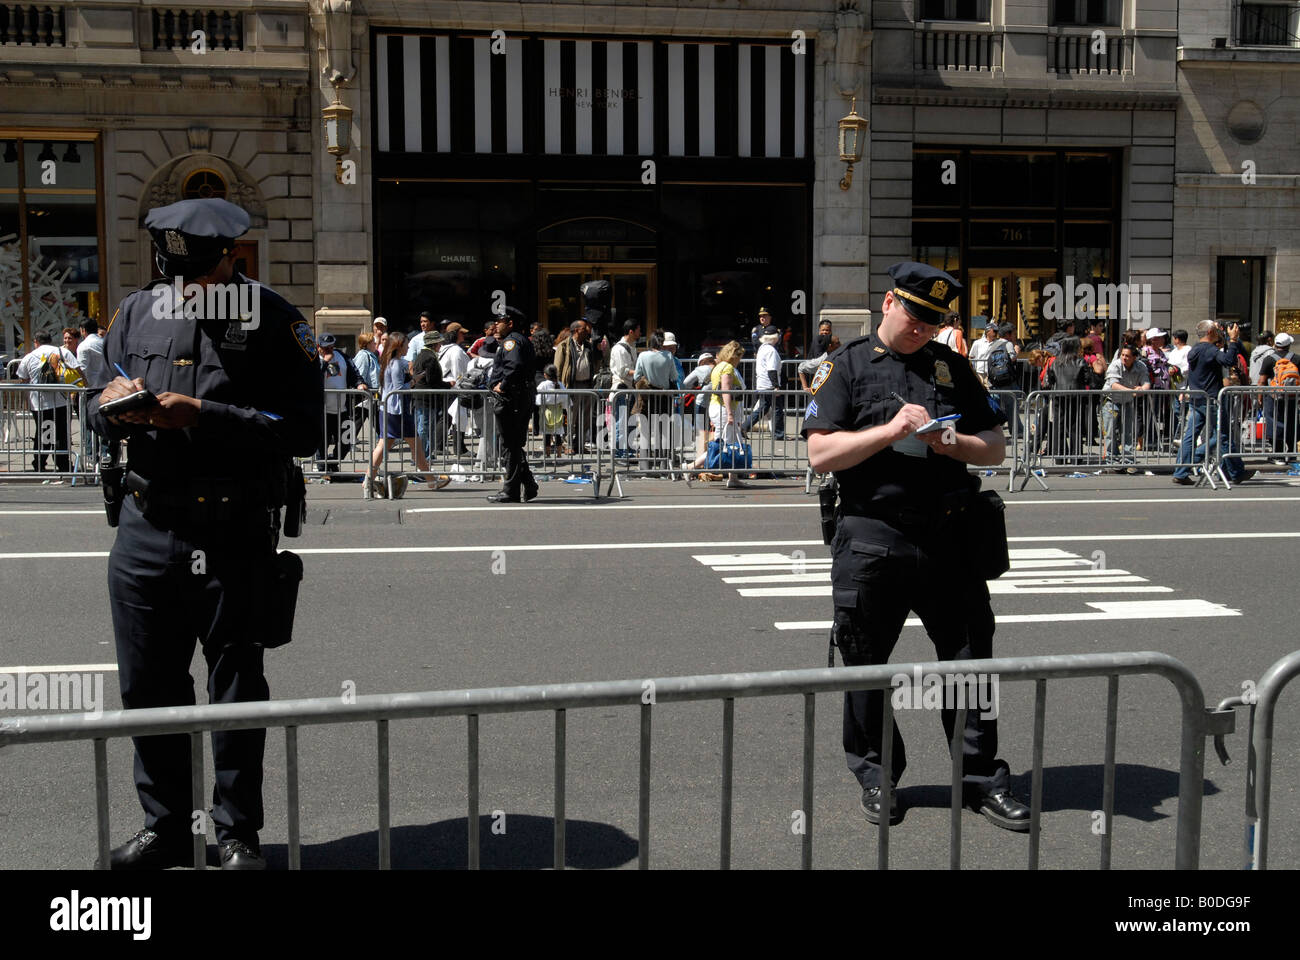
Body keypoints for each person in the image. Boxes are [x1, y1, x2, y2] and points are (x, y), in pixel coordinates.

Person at [86, 197, 323, 870]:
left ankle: (235, 834)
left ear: (231, 260)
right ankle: (165, 827)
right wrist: (108, 407)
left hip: (233, 533)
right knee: (147, 690)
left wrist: (205, 416)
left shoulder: (276, 320)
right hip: (146, 527)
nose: (190, 291)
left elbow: (304, 428)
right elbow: (93, 391)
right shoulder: (136, 311)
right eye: (177, 277)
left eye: (205, 278)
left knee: (236, 691)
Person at [802, 260, 1029, 833]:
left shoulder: (951, 366)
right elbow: (820, 454)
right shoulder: (845, 366)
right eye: (915, 316)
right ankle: (877, 774)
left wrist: (950, 441)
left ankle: (980, 777)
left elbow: (996, 446)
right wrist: (889, 432)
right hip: (873, 535)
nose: (922, 330)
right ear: (888, 303)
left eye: (933, 321)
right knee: (865, 662)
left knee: (970, 661)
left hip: (950, 534)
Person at [366, 330, 449, 496]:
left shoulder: (391, 362)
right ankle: (431, 480)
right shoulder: (395, 364)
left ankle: (368, 480)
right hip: (398, 411)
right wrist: (413, 381)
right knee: (410, 446)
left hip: (391, 410)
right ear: (398, 345)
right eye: (405, 344)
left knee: (388, 446)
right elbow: (397, 389)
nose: (408, 346)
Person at [1172, 320, 1252, 485]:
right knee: (1223, 435)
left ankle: (1180, 472)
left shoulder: (1195, 349)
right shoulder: (1210, 350)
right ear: (1209, 333)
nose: (1218, 331)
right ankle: (1236, 471)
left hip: (1197, 398)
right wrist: (1234, 340)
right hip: (1211, 399)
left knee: (1190, 436)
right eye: (1215, 330)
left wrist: (1224, 344)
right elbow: (1229, 361)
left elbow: (1217, 359)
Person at [486, 306, 538, 503]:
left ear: (510, 323)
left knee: (510, 445)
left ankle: (511, 490)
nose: (495, 325)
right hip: (520, 396)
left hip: (512, 397)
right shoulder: (519, 340)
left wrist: (503, 385)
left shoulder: (511, 341)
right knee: (513, 444)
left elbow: (514, 365)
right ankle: (527, 484)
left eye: (499, 321)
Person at [17, 329, 81, 473]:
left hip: (39, 402)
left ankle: (39, 463)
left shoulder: (29, 356)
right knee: (62, 434)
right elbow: (78, 369)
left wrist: (26, 400)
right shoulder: (61, 352)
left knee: (43, 433)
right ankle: (63, 464)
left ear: (36, 342)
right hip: (61, 400)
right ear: (50, 340)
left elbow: (23, 379)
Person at [315, 333, 367, 474]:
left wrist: (359, 383)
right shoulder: (313, 359)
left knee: (346, 441)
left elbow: (353, 372)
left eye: (332, 347)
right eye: (326, 348)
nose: (330, 350)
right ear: (319, 347)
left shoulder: (341, 356)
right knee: (322, 443)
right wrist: (325, 362)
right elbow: (313, 380)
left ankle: (333, 462)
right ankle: (322, 471)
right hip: (323, 411)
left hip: (342, 409)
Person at [1101, 344, 1150, 469]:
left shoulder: (1141, 366)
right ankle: (1111, 459)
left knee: (1128, 431)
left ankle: (1128, 459)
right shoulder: (1115, 365)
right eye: (1122, 355)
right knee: (1110, 430)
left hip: (1128, 401)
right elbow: (1114, 385)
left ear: (1134, 357)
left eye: (1127, 356)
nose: (1124, 358)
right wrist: (1132, 391)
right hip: (1111, 401)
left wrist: (1141, 389)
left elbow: (1146, 383)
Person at [707, 340, 747, 489]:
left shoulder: (719, 367)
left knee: (728, 444)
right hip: (723, 409)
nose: (740, 360)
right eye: (739, 356)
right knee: (724, 445)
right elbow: (726, 391)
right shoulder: (728, 368)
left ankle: (733, 477)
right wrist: (730, 413)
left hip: (719, 408)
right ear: (734, 356)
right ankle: (691, 467)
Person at [555, 319, 599, 452]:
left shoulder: (588, 346)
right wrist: (559, 386)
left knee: (585, 418)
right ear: (576, 331)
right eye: (584, 329)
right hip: (571, 386)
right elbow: (558, 368)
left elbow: (594, 364)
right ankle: (568, 445)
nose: (587, 331)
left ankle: (580, 444)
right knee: (570, 418)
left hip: (587, 386)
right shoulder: (564, 346)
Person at [1259, 332, 1300, 473]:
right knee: (1292, 422)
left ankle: (1278, 454)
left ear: (1275, 344)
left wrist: (1259, 397)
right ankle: (1293, 453)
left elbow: (1262, 381)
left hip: (1273, 397)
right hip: (1293, 397)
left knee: (1275, 423)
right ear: (1289, 345)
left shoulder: (1269, 359)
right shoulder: (1297, 359)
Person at [742, 323, 785, 441]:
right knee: (777, 409)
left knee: (763, 408)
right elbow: (772, 370)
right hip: (769, 385)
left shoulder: (762, 348)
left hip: (762, 384)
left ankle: (745, 426)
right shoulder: (771, 351)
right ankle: (778, 434)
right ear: (775, 337)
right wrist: (776, 386)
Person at [410, 329, 448, 458]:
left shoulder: (423, 355)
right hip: (426, 398)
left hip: (423, 398)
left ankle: (423, 454)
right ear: (434, 344)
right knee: (424, 428)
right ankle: (422, 456)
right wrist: (449, 384)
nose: (440, 346)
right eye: (439, 343)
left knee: (424, 427)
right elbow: (432, 381)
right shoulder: (430, 358)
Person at [609, 319, 640, 457]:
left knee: (631, 421)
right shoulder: (619, 349)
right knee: (621, 421)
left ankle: (628, 448)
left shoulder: (631, 346)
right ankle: (620, 451)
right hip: (621, 389)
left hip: (630, 388)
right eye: (639, 330)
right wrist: (640, 372)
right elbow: (623, 371)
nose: (641, 333)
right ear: (631, 331)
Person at [439, 323, 470, 456]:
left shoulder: (445, 349)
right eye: (461, 333)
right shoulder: (456, 350)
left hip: (449, 388)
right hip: (455, 388)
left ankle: (439, 446)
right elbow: (459, 372)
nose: (464, 335)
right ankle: (459, 448)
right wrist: (463, 388)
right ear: (456, 334)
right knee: (458, 418)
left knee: (446, 418)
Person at [535, 363, 568, 456]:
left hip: (547, 411)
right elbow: (566, 399)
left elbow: (538, 400)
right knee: (558, 434)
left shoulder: (543, 385)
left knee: (547, 434)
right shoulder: (560, 384)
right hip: (558, 411)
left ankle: (548, 454)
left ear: (545, 375)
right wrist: (564, 407)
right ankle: (559, 454)